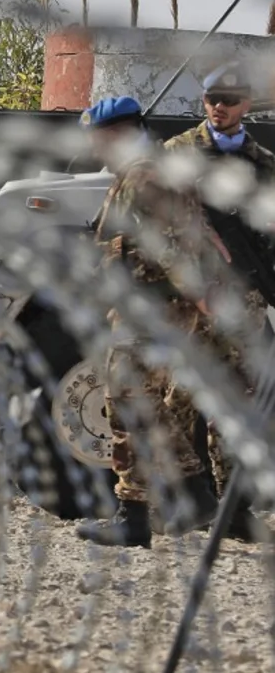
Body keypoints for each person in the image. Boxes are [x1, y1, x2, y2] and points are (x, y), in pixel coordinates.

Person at [73, 95, 244, 547]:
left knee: (128, 397)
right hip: (148, 303)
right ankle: (138, 512)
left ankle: (187, 492)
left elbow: (168, 242)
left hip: (154, 304)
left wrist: (196, 292)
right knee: (136, 405)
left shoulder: (145, 173)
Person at [161, 60, 275, 541]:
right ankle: (188, 501)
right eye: (211, 100)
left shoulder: (264, 164)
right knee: (178, 399)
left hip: (243, 297)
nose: (219, 108)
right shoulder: (178, 153)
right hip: (192, 295)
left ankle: (234, 508)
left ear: (246, 104)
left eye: (229, 101)